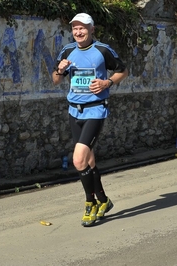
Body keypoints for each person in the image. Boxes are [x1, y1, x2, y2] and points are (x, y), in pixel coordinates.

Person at [52, 13, 129, 227]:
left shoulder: (103, 50)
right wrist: (60, 69)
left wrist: (107, 83)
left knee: (78, 160)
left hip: (95, 110)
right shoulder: (67, 51)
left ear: (92, 29)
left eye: (83, 28)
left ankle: (91, 203)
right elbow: (56, 79)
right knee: (89, 161)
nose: (78, 32)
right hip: (74, 112)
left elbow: (123, 71)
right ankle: (104, 200)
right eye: (75, 28)